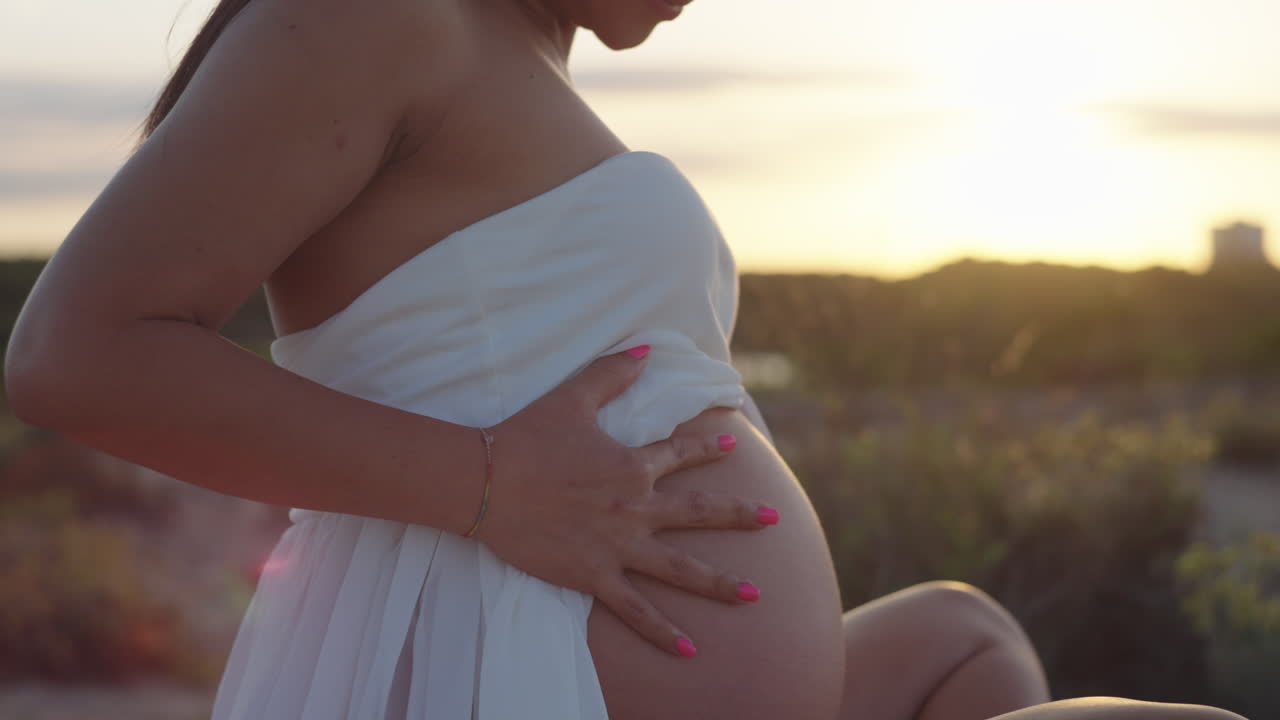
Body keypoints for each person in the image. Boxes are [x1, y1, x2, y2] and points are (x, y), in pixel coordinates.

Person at [3, 0, 1246, 718]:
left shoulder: (515, 65)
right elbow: (78, 355)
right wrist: (491, 483)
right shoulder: (383, 12)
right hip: (503, 674)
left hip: (622, 665)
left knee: (959, 640)